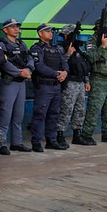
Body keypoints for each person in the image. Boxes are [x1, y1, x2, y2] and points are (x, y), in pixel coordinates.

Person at [77, 20, 107, 146]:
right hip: (98, 79)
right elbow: (91, 58)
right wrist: (102, 46)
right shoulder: (92, 41)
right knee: (94, 109)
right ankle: (86, 135)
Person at [0, 18, 34, 155]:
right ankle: (0, 144)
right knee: (5, 114)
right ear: (5, 30)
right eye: (13, 27)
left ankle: (16, 142)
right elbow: (4, 63)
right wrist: (20, 72)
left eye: (17, 27)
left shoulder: (22, 44)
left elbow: (30, 58)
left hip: (21, 82)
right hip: (9, 81)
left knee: (19, 114)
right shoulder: (1, 44)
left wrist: (29, 69)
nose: (16, 29)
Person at [29, 24, 69, 152]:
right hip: (44, 86)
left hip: (56, 86)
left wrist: (65, 73)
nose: (50, 33)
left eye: (51, 31)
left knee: (54, 114)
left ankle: (51, 140)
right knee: (40, 114)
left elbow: (64, 63)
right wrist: (57, 74)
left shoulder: (57, 48)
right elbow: (39, 66)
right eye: (47, 31)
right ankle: (36, 142)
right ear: (40, 33)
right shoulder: (36, 48)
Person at [58, 24, 91, 148]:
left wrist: (86, 81)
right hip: (69, 83)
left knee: (80, 111)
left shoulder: (79, 49)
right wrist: (67, 54)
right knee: (66, 110)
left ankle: (77, 134)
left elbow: (84, 67)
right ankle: (59, 134)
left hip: (80, 83)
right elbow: (59, 66)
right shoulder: (61, 49)